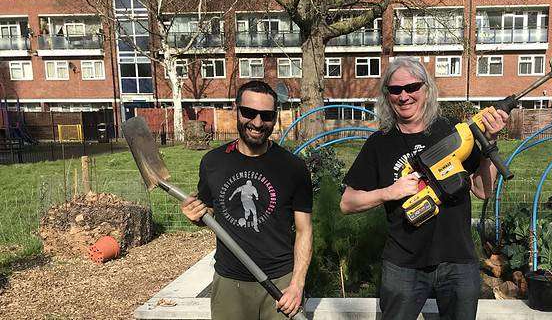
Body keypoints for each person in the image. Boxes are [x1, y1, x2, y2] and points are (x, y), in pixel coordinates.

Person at [340, 58, 508, 319]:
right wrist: (389, 192)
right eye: (395, 90)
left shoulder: (453, 132)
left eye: (412, 87)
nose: (404, 96)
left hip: (458, 259)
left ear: (426, 89)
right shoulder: (379, 144)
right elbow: (347, 202)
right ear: (387, 96)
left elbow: (482, 190)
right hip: (403, 264)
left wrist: (490, 142)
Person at [181, 80, 313, 320]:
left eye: (266, 115)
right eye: (249, 113)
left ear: (275, 118)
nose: (257, 122)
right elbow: (208, 211)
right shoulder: (213, 162)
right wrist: (196, 216)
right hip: (230, 282)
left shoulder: (293, 167)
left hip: (280, 281)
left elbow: (304, 230)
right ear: (236, 110)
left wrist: (297, 285)